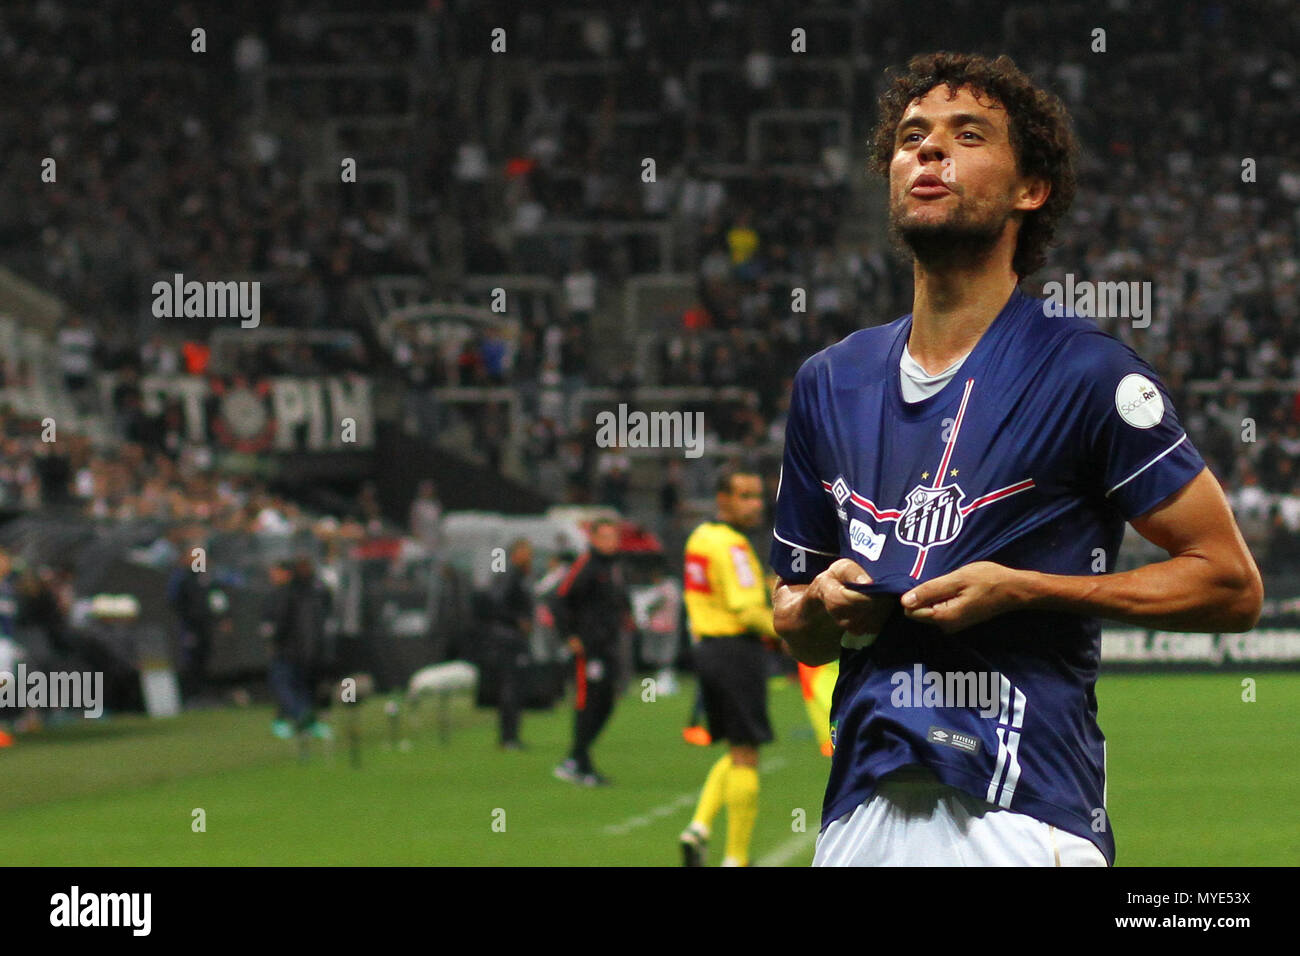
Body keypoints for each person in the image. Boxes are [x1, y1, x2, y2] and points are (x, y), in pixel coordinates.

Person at [770, 52, 1263, 867]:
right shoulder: (829, 382)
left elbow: (1231, 583)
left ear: (1030, 189)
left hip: (1021, 819)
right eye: (911, 136)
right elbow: (798, 625)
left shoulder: (1088, 374)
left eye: (968, 136)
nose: (929, 152)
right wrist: (819, 602)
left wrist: (1026, 590)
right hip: (857, 818)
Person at [678, 467, 783, 867]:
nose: (756, 505)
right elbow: (743, 608)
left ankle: (699, 827)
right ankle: (736, 858)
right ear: (721, 499)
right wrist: (783, 631)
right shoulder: (733, 546)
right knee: (747, 754)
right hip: (737, 652)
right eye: (745, 496)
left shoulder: (700, 539)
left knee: (736, 747)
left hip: (707, 650)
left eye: (758, 496)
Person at [552, 519, 631, 787]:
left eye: (614, 536)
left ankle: (576, 757)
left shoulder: (613, 567)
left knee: (606, 701)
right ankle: (579, 763)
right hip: (589, 649)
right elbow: (560, 599)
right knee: (588, 702)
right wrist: (570, 636)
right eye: (605, 537)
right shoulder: (586, 565)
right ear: (593, 539)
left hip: (608, 645)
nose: (611, 542)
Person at [261, 557, 334, 740]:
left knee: (283, 685)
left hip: (288, 649)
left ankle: (302, 717)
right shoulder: (308, 591)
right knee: (299, 687)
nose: (272, 575)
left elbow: (277, 623)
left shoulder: (283, 595)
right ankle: (297, 720)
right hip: (306, 650)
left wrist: (272, 637)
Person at [485, 538, 535, 749]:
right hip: (507, 638)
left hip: (513, 637)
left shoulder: (520, 575)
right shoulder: (509, 575)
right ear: (515, 553)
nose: (530, 555)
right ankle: (508, 737)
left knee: (515, 686)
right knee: (510, 686)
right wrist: (518, 621)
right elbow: (496, 604)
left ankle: (512, 734)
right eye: (526, 551)